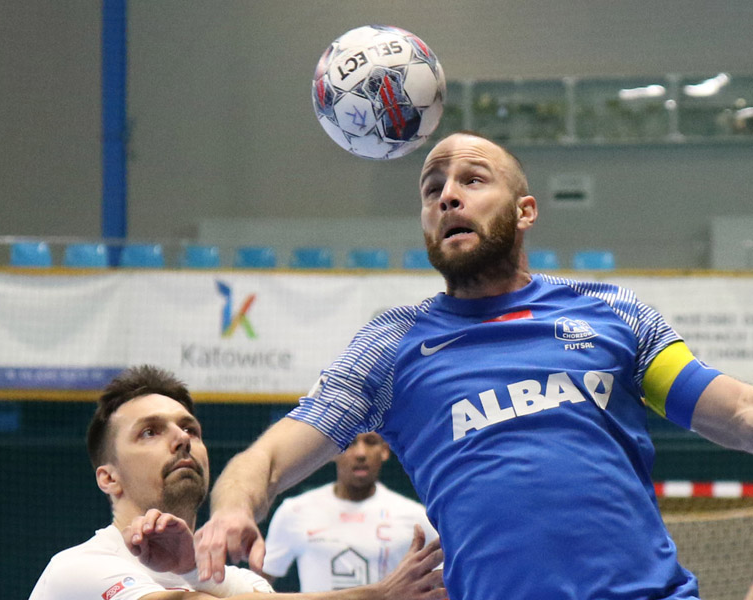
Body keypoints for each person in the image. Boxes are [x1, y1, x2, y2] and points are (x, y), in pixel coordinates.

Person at [193, 131, 753, 600]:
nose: (448, 198)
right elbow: (265, 459)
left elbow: (736, 411)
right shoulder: (390, 347)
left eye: (473, 181)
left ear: (525, 210)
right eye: (432, 189)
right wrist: (231, 509)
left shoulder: (613, 313)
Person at [28, 365, 445, 600]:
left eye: (190, 429)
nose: (181, 439)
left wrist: (190, 569)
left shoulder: (241, 584)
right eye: (150, 432)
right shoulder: (76, 571)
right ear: (108, 477)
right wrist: (377, 596)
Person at [262, 432, 437, 591]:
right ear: (332, 451)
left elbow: (446, 580)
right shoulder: (294, 512)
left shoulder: (416, 517)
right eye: (350, 442)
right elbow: (260, 584)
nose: (361, 453)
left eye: (370, 442)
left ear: (384, 451)